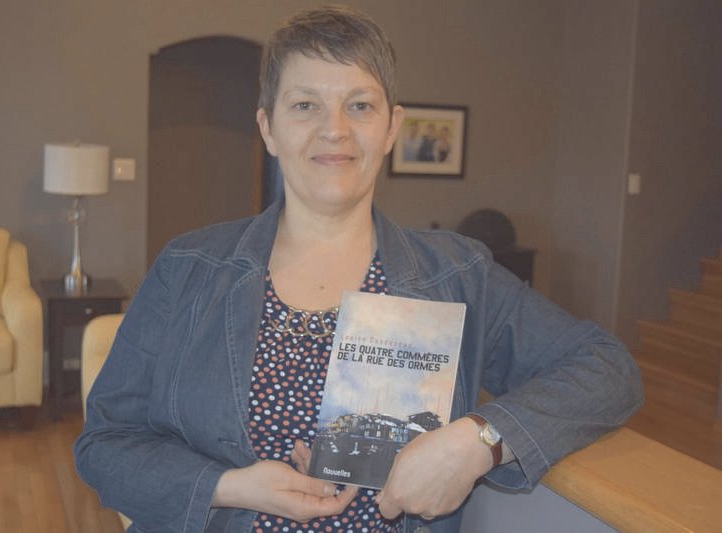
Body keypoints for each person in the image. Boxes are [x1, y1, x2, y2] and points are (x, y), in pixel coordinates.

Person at [75, 6, 642, 533]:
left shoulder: (457, 275)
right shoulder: (188, 269)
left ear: (392, 127)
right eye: (305, 105)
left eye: (360, 105)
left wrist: (477, 441)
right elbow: (105, 445)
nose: (335, 129)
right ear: (268, 127)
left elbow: (606, 368)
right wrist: (229, 486)